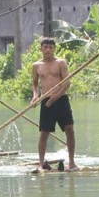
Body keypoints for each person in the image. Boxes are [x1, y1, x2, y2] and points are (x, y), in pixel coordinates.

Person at [31, 37, 76, 170]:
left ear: (54, 49)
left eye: (51, 47)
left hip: (61, 99)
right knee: (44, 132)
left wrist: (56, 96)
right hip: (46, 101)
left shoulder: (61, 63)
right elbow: (35, 84)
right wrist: (35, 96)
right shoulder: (36, 66)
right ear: (41, 49)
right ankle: (41, 164)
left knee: (70, 130)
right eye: (45, 47)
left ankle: (72, 162)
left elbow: (66, 83)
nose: (48, 50)